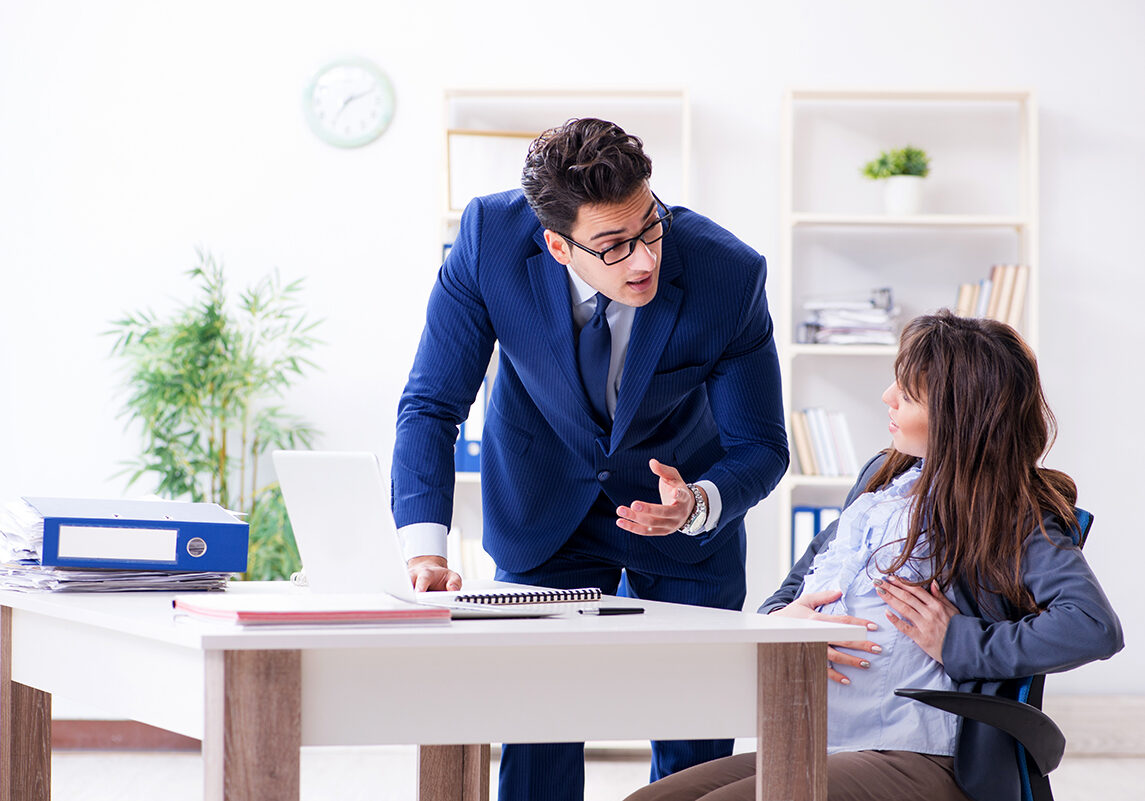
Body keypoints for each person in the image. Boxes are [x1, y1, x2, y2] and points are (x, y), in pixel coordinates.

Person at [390, 118, 789, 801]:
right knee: (537, 728)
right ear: (556, 244)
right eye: (613, 246)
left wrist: (697, 502)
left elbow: (760, 444)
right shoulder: (489, 240)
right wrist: (424, 548)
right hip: (542, 500)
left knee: (694, 750)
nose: (643, 262)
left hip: (679, 516)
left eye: (650, 227)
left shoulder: (728, 271)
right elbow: (431, 402)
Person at [623, 310, 1123, 801]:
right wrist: (784, 620)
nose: (886, 397)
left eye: (906, 394)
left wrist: (960, 641)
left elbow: (1092, 626)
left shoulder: (1005, 511)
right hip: (820, 736)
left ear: (958, 415)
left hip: (916, 751)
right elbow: (800, 582)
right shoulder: (880, 481)